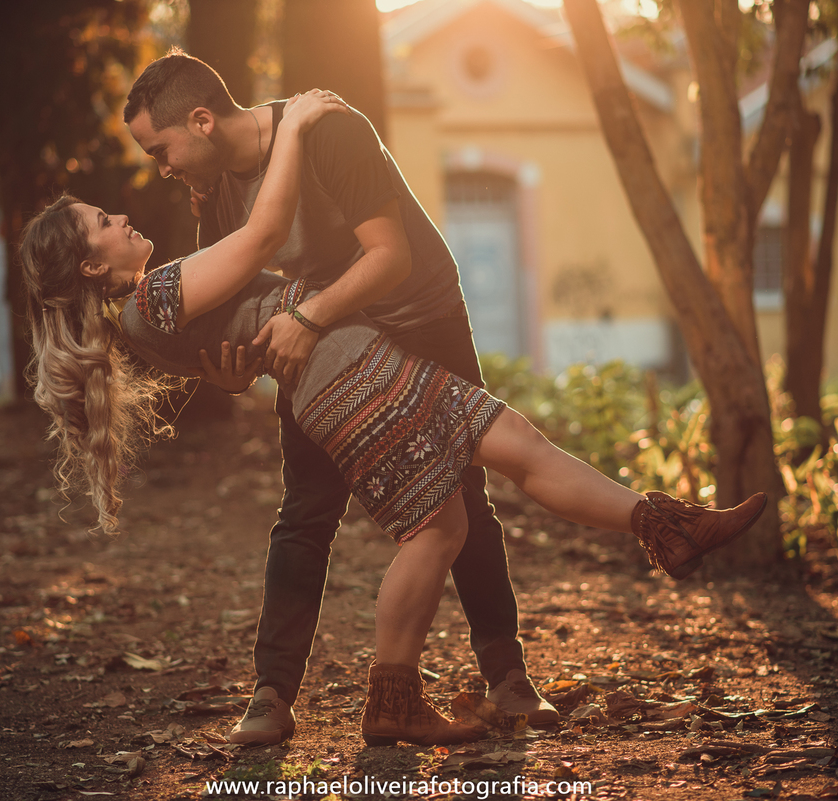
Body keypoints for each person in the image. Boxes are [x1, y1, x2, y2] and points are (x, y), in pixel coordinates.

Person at [21, 90, 768, 748]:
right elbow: (263, 237)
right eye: (105, 220)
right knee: (440, 527)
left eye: (154, 154)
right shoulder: (153, 298)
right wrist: (300, 120)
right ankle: (392, 699)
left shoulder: (145, 307)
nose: (126, 211)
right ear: (90, 265)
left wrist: (236, 365)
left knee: (520, 445)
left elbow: (234, 349)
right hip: (346, 374)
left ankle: (667, 525)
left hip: (362, 354)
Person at [122, 48, 561, 746]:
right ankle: (270, 694)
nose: (162, 167)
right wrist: (232, 370)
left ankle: (507, 676)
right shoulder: (215, 194)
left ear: (201, 121)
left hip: (416, 316)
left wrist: (304, 321)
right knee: (304, 510)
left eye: (161, 149)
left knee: (465, 492)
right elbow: (227, 305)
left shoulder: (326, 127)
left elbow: (391, 258)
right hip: (327, 344)